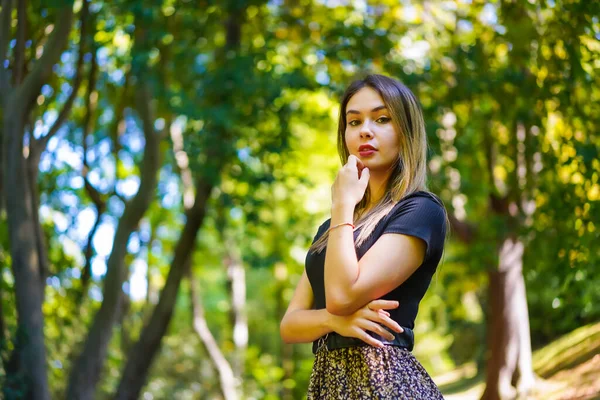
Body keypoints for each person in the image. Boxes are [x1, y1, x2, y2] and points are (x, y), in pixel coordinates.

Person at [279, 74, 448, 399]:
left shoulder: (420, 210)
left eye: (382, 119)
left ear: (406, 131)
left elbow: (343, 295)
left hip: (386, 383)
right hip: (329, 385)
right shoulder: (333, 228)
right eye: (353, 122)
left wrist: (342, 205)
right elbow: (290, 325)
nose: (365, 131)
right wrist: (334, 321)